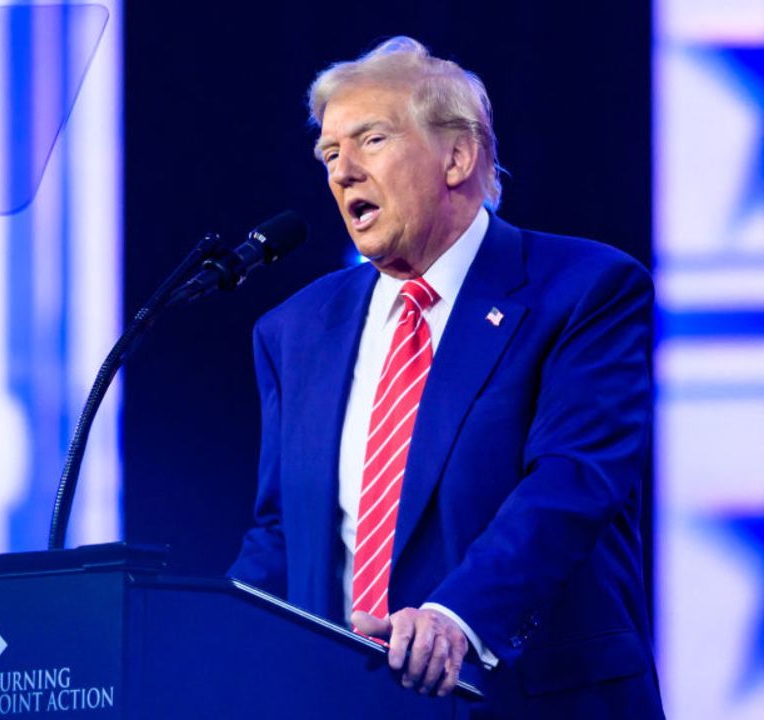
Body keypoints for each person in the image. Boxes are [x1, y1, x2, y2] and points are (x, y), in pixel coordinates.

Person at [228, 37, 664, 718]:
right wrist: (210, 648)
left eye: (370, 140)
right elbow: (281, 532)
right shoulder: (294, 330)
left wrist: (455, 618)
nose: (342, 173)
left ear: (456, 156)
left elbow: (572, 482)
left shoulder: (584, 290)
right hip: (345, 703)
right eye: (330, 155)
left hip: (525, 699)